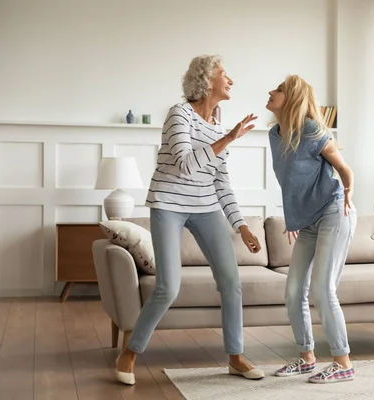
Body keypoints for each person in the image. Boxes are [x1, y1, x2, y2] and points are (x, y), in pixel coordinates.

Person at [115, 55, 265, 385]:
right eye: (225, 74)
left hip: (206, 206)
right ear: (206, 79)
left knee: (231, 282)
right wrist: (228, 139)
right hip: (169, 203)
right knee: (168, 287)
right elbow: (184, 163)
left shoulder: (218, 126)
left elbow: (220, 181)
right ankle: (130, 352)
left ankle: (235, 356)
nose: (231, 80)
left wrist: (241, 226)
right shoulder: (178, 113)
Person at [265, 75, 357, 383]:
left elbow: (343, 168)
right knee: (293, 292)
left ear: (291, 98)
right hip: (308, 223)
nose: (270, 92)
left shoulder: (312, 130)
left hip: (334, 210)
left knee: (322, 289)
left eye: (277, 89)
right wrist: (295, 218)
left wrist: (348, 190)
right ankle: (306, 358)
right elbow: (291, 182)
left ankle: (343, 363)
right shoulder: (274, 135)